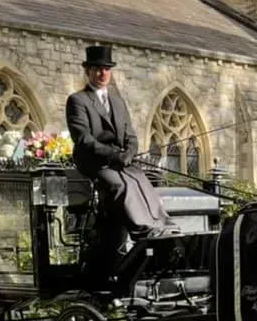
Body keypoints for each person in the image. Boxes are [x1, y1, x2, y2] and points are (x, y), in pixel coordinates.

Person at [65, 45, 180, 254]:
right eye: (97, 69)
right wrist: (113, 155)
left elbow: (130, 135)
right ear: (88, 71)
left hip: (119, 159)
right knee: (119, 184)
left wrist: (129, 152)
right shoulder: (77, 100)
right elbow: (83, 139)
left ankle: (162, 223)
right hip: (93, 161)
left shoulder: (117, 102)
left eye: (107, 69)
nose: (102, 73)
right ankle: (142, 229)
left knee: (141, 179)